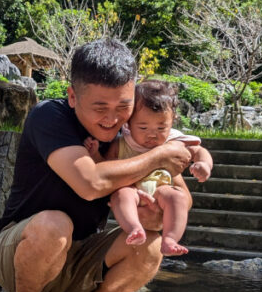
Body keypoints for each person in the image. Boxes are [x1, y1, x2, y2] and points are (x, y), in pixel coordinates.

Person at [0, 39, 199, 292]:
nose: (112, 119)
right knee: (54, 224)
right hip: (20, 254)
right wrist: (158, 156)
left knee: (151, 244)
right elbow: (90, 183)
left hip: (81, 261)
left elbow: (180, 193)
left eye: (123, 106)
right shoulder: (49, 116)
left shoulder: (132, 135)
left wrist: (158, 210)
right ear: (73, 97)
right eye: (100, 107)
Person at [85, 80, 213, 256]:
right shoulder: (122, 142)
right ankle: (134, 229)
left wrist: (204, 164)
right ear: (129, 122)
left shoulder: (174, 140)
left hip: (161, 189)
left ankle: (170, 239)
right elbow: (106, 166)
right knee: (122, 196)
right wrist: (95, 155)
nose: (152, 134)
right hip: (132, 190)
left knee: (177, 197)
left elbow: (199, 151)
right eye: (143, 127)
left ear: (172, 121)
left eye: (161, 127)